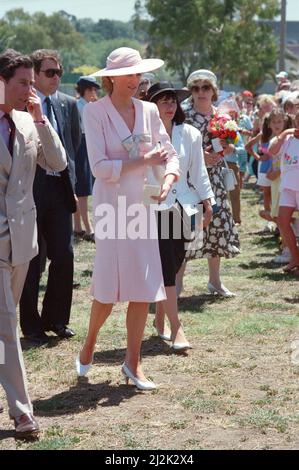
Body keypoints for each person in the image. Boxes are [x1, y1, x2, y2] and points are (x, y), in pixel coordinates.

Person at [76, 48, 180, 390]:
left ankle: (133, 364)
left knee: (143, 286)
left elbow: (169, 154)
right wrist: (143, 160)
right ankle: (89, 343)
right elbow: (100, 168)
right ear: (112, 78)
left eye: (139, 74)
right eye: (130, 74)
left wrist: (168, 178)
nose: (136, 80)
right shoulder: (95, 113)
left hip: (144, 208)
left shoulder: (150, 111)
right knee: (107, 290)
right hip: (110, 209)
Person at [0, 49, 66, 438]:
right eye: (22, 83)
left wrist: (40, 119)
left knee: (2, 323)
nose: (30, 90)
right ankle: (23, 412)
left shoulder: (28, 121)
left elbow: (57, 163)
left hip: (23, 241)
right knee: (9, 324)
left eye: (31, 82)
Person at [19, 49, 81, 344]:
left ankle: (57, 319)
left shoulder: (68, 105)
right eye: (49, 73)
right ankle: (31, 325)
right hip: (30, 187)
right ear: (35, 75)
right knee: (31, 259)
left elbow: (74, 144)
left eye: (59, 72)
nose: (56, 77)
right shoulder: (19, 107)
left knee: (64, 255)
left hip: (60, 188)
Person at [146, 81, 214, 347]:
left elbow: (199, 172)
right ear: (152, 106)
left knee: (174, 266)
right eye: (163, 101)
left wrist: (209, 203)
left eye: (172, 101)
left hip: (185, 205)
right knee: (165, 266)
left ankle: (160, 320)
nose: (169, 105)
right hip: (154, 205)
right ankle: (177, 328)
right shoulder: (143, 133)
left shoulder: (189, 133)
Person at [181, 69, 240, 297]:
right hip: (190, 180)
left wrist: (225, 149)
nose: (200, 92)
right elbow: (177, 146)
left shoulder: (222, 117)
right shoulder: (183, 115)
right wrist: (200, 157)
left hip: (215, 179)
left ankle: (215, 282)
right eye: (195, 88)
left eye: (205, 87)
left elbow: (233, 145)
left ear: (213, 91)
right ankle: (177, 282)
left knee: (215, 227)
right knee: (187, 228)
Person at [269, 110, 299, 274]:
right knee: (282, 221)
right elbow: (272, 151)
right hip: (288, 186)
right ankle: (295, 258)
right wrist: (284, 134)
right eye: (297, 120)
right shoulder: (287, 139)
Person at [73, 75, 100, 242]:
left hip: (85, 144)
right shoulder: (81, 106)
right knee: (82, 190)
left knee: (80, 189)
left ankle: (77, 226)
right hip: (80, 145)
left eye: (94, 89)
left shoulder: (86, 105)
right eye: (91, 89)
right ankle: (88, 228)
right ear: (84, 90)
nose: (94, 92)